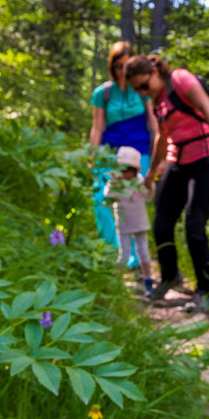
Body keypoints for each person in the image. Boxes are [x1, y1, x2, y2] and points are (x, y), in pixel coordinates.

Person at [125, 54, 209, 312]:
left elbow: (207, 108)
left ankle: (206, 291)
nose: (143, 92)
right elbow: (162, 137)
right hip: (178, 161)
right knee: (162, 223)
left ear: (154, 72)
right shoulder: (156, 101)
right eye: (137, 89)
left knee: (195, 224)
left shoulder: (180, 79)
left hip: (206, 158)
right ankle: (170, 276)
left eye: (144, 85)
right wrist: (151, 171)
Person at [88, 42, 157, 264]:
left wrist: (160, 155)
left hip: (138, 155)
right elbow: (97, 127)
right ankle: (111, 254)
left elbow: (154, 123)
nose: (122, 70)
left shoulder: (142, 90)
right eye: (118, 65)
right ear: (112, 66)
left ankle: (136, 258)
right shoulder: (103, 93)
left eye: (127, 65)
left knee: (135, 201)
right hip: (110, 154)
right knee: (102, 200)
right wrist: (92, 157)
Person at [103, 145, 155, 296]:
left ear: (134, 170)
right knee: (124, 254)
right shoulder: (115, 184)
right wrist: (113, 182)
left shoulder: (139, 182)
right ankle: (115, 284)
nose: (125, 173)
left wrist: (150, 185)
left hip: (140, 223)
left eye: (128, 169)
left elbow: (149, 197)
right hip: (124, 224)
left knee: (143, 252)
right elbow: (107, 200)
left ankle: (148, 282)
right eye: (123, 169)